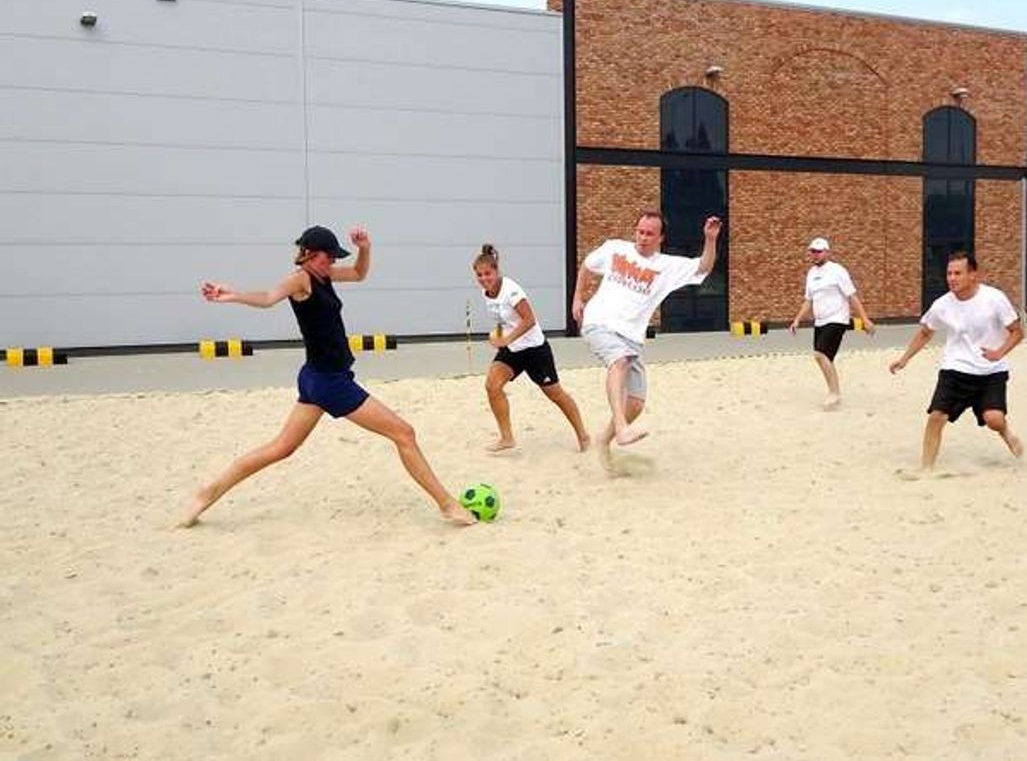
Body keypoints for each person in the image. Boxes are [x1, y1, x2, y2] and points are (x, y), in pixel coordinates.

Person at [181, 224, 475, 527]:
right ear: (309, 254)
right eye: (328, 257)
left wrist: (365, 248)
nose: (332, 262)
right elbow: (269, 297)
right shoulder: (300, 280)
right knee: (404, 433)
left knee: (281, 448)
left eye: (334, 258)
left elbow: (359, 274)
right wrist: (232, 295)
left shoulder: (325, 275)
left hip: (316, 377)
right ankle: (447, 504)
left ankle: (208, 493)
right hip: (330, 382)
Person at [572, 210, 721, 469]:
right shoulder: (615, 249)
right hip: (600, 323)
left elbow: (703, 267)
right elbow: (587, 265)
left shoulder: (667, 266)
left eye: (649, 234)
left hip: (632, 336)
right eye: (640, 231)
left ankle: (604, 441)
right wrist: (577, 298)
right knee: (618, 362)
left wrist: (709, 239)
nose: (643, 237)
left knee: (637, 403)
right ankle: (620, 428)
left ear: (660, 238)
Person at [889, 251, 1025, 471]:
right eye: (949, 273)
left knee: (994, 419)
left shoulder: (994, 298)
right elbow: (925, 332)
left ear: (973, 275)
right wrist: (904, 359)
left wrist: (999, 352)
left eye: (958, 273)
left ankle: (1006, 433)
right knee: (936, 416)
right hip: (956, 368)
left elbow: (1017, 332)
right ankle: (926, 468)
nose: (952, 278)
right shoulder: (942, 304)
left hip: (991, 371)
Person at [472, 243, 590, 453]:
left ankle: (583, 435)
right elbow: (501, 319)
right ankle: (507, 438)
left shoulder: (512, 291)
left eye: (487, 274)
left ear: (496, 271)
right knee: (492, 386)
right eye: (479, 275)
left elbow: (529, 320)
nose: (483, 279)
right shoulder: (486, 293)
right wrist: (498, 335)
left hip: (535, 349)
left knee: (556, 395)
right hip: (513, 349)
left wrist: (507, 339)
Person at [789, 236, 875, 409]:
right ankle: (833, 391)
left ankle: (834, 393)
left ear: (827, 252)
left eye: (819, 251)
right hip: (820, 321)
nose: (815, 254)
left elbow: (852, 297)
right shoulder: (811, 274)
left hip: (837, 319)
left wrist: (865, 320)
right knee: (824, 358)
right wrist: (797, 320)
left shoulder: (838, 271)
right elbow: (808, 301)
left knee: (820, 355)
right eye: (812, 251)